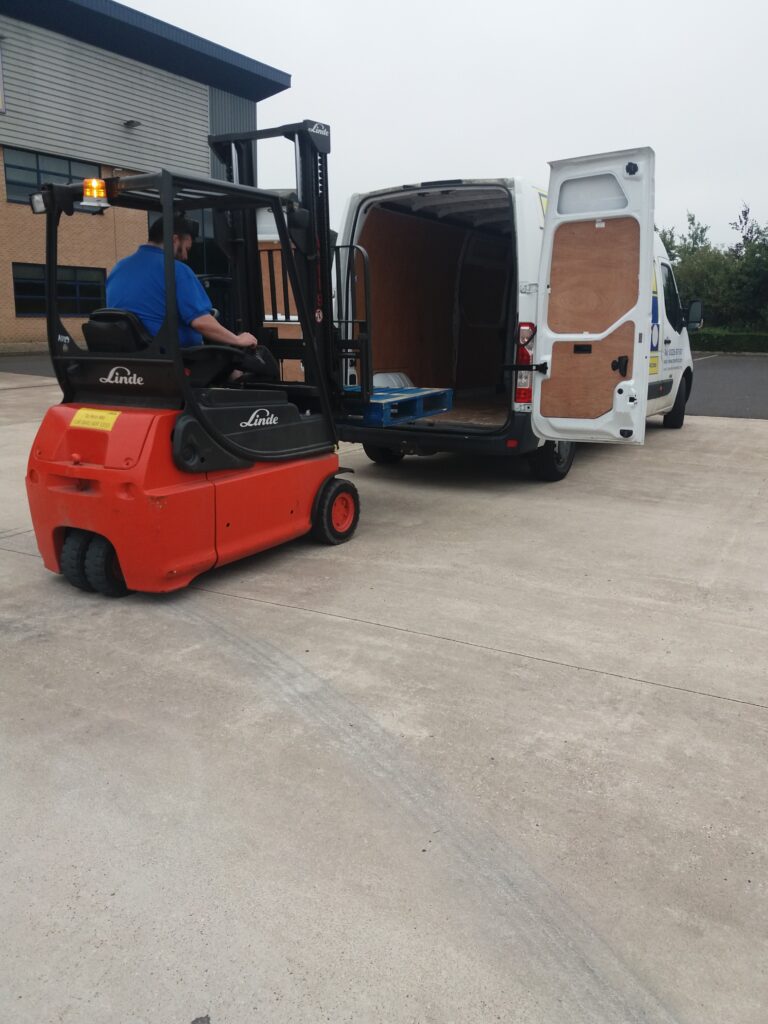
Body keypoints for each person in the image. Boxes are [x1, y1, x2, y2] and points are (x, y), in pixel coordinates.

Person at [106, 215, 258, 350]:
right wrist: (237, 339)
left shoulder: (119, 267)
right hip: (173, 358)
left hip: (132, 354)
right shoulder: (176, 270)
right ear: (174, 239)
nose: (185, 256)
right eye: (186, 248)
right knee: (241, 363)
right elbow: (201, 322)